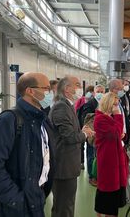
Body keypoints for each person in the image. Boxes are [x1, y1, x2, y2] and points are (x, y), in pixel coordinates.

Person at [0, 72, 55, 217]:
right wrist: (16, 201)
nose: (50, 94)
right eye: (46, 88)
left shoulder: (42, 120)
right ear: (30, 91)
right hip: (14, 207)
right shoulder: (9, 120)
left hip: (37, 198)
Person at [49, 76, 94, 217]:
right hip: (64, 167)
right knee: (64, 207)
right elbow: (69, 137)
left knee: (65, 205)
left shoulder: (67, 105)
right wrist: (85, 134)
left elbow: (69, 132)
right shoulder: (61, 107)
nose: (80, 88)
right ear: (67, 89)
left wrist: (81, 131)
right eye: (77, 85)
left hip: (67, 165)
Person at [94, 92, 129, 217]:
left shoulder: (108, 118)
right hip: (108, 160)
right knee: (107, 191)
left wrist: (119, 134)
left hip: (114, 157)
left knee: (110, 191)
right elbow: (114, 133)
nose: (117, 107)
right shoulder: (100, 119)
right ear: (108, 104)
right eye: (115, 104)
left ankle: (104, 212)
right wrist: (118, 116)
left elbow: (115, 133)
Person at [79, 84, 105, 186]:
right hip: (91, 134)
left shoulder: (103, 103)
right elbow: (84, 119)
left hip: (100, 134)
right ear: (94, 93)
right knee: (90, 155)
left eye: (102, 92)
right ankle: (91, 176)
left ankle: (97, 175)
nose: (100, 94)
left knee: (97, 156)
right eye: (98, 92)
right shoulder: (89, 104)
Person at [109, 79, 130, 145]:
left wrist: (128, 127)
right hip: (114, 140)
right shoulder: (108, 103)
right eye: (120, 89)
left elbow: (123, 117)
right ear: (113, 89)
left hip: (122, 137)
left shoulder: (119, 101)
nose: (122, 91)